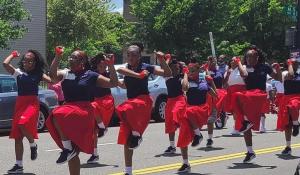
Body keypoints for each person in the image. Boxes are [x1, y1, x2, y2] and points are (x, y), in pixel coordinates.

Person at [46, 47, 118, 175]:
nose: (71, 59)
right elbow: (52, 77)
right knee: (72, 152)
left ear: (82, 61)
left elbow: (113, 83)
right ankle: (69, 149)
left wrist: (111, 66)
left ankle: (67, 148)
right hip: (69, 111)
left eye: (74, 57)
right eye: (70, 57)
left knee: (57, 113)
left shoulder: (91, 75)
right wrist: (57, 56)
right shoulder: (66, 73)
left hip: (83, 111)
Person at [116, 45, 171, 175]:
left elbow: (167, 74)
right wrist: (115, 82)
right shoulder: (126, 68)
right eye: (128, 55)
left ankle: (137, 134)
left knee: (124, 108)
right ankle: (128, 171)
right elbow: (124, 83)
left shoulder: (146, 67)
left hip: (142, 102)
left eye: (134, 55)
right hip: (132, 104)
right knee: (127, 140)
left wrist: (162, 60)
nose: (130, 57)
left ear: (139, 56)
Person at [3, 50, 50, 174]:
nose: (26, 62)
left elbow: (51, 80)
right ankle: (19, 165)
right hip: (20, 104)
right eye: (25, 60)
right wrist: (13, 55)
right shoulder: (19, 73)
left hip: (32, 103)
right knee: (17, 137)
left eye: (30, 60)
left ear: (35, 63)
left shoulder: (39, 73)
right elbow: (5, 64)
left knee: (22, 123)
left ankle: (33, 144)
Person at [234, 46, 282, 163]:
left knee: (241, 96)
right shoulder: (245, 67)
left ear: (257, 57)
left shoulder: (264, 66)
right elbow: (244, 74)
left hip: (259, 94)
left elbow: (279, 78)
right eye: (247, 56)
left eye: (252, 56)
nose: (249, 58)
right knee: (245, 127)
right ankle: (250, 151)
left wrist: (278, 68)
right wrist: (239, 62)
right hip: (248, 95)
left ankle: (247, 121)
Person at [176, 62, 217, 172]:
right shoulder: (186, 81)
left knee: (189, 111)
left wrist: (211, 82)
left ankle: (198, 134)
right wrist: (185, 75)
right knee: (183, 136)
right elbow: (184, 88)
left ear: (199, 71)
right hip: (189, 113)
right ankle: (185, 164)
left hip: (201, 110)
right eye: (189, 71)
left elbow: (215, 95)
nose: (191, 73)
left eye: (193, 70)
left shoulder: (204, 83)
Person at [87, 53, 116, 163]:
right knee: (94, 131)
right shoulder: (93, 74)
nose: (103, 68)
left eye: (105, 66)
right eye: (100, 66)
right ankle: (95, 154)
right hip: (97, 102)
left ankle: (102, 127)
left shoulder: (108, 75)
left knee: (91, 106)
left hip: (107, 101)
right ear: (97, 65)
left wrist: (111, 63)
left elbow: (116, 81)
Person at [163, 55, 186, 154]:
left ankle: (186, 140)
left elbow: (185, 88)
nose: (175, 70)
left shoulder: (182, 78)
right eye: (173, 68)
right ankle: (172, 146)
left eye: (177, 68)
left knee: (178, 118)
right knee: (169, 124)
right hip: (170, 101)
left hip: (180, 100)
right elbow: (164, 67)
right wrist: (167, 59)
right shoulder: (167, 77)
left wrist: (185, 74)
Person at [277, 58, 300, 155]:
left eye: (296, 64)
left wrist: (290, 63)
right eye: (293, 64)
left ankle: (296, 124)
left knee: (293, 105)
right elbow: (290, 75)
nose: (295, 65)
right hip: (286, 98)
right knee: (287, 124)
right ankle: (288, 146)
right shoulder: (285, 74)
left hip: (297, 97)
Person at [205, 56, 227, 147]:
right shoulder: (204, 72)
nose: (213, 62)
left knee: (211, 117)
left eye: (214, 61)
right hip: (208, 95)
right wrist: (206, 69)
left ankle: (221, 115)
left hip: (218, 94)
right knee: (209, 119)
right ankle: (209, 138)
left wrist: (228, 75)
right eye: (210, 61)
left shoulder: (220, 71)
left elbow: (224, 83)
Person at [223, 56, 247, 135]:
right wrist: (228, 74)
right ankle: (237, 126)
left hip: (240, 91)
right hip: (231, 91)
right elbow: (225, 85)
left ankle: (238, 127)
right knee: (234, 111)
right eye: (232, 60)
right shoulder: (228, 71)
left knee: (239, 111)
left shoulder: (242, 67)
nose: (234, 61)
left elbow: (244, 75)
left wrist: (239, 63)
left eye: (235, 60)